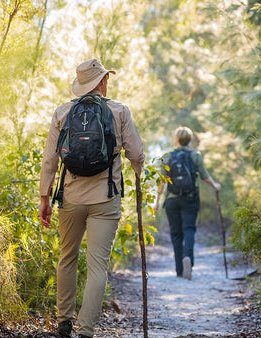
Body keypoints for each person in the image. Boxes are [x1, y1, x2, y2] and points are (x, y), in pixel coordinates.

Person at [39, 59, 145, 338]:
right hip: (105, 198)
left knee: (67, 258)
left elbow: (50, 159)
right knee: (97, 266)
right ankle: (86, 331)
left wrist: (44, 197)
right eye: (105, 78)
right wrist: (137, 167)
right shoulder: (119, 110)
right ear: (101, 82)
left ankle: (64, 322)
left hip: (70, 198)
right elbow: (135, 153)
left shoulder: (63, 112)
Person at [154, 126, 221, 280]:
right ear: (190, 140)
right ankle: (188, 258)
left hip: (172, 200)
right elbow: (205, 176)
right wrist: (215, 186)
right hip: (190, 199)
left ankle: (179, 269)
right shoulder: (195, 155)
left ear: (176, 139)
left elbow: (161, 183)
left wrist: (157, 202)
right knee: (189, 229)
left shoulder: (168, 156)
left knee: (176, 234)